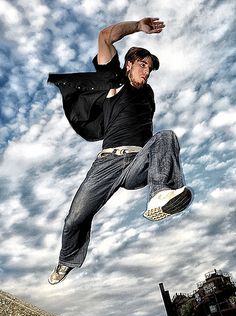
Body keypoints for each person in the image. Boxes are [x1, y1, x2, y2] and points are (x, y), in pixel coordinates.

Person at [47, 18, 193, 285]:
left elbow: (155, 141)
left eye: (149, 68)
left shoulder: (148, 96)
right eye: (142, 65)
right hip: (108, 163)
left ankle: (160, 193)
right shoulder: (114, 81)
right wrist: (138, 25)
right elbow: (104, 36)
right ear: (128, 65)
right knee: (75, 218)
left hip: (138, 163)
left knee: (166, 136)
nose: (146, 72)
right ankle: (66, 260)